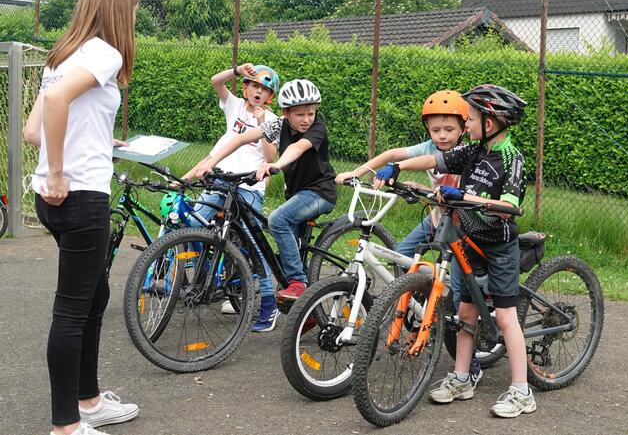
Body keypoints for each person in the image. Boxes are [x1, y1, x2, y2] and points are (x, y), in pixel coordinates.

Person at [23, 0, 140, 435]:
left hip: (54, 199)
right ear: (116, 9)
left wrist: (93, 137)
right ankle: (66, 426)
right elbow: (54, 100)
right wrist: (57, 171)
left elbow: (36, 128)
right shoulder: (106, 53)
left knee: (96, 293)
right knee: (72, 309)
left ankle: (88, 402)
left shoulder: (64, 52)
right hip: (79, 197)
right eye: (131, 7)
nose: (133, 15)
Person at [378, 84, 535, 418]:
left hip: (498, 245)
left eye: (472, 119)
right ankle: (462, 378)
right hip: (470, 242)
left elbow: (507, 206)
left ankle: (522, 391)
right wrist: (398, 168)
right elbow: (436, 158)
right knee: (465, 314)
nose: (466, 126)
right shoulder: (474, 151)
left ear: (489, 123)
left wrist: (463, 197)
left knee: (506, 317)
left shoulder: (511, 156)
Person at [335, 90, 482, 382]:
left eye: (449, 129)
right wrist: (360, 170)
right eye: (435, 129)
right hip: (436, 218)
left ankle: (471, 364)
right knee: (401, 255)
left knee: (457, 298)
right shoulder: (428, 146)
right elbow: (392, 155)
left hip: (461, 225)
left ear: (464, 127)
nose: (442, 136)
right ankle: (420, 306)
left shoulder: (468, 151)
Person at [200, 79, 336, 309]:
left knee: (277, 220)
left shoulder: (317, 129)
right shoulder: (278, 126)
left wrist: (276, 165)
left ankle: (298, 283)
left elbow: (297, 148)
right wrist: (210, 162)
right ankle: (309, 312)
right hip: (296, 194)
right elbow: (242, 138)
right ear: (285, 113)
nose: (306, 119)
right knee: (286, 251)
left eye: (311, 113)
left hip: (319, 192)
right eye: (300, 114)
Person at [181, 63, 281, 332]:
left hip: (248, 188)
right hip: (221, 181)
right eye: (255, 86)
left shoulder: (272, 120)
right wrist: (237, 71)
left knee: (254, 244)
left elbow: (271, 157)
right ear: (246, 88)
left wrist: (262, 123)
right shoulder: (235, 106)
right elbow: (215, 80)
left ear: (270, 97)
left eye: (265, 90)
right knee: (192, 223)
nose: (259, 92)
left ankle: (269, 305)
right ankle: (204, 276)